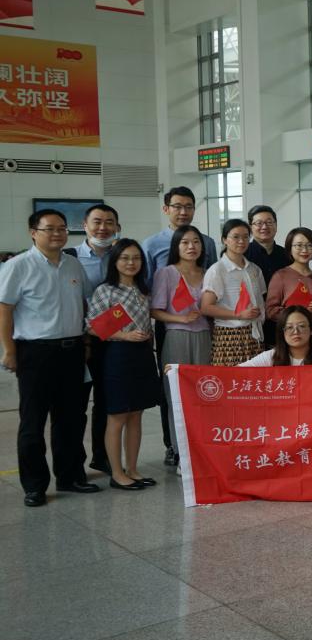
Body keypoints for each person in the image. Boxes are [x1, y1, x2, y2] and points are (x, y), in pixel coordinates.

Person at [0, 210, 99, 507]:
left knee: (70, 418)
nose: (57, 233)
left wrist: (85, 342)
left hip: (71, 351)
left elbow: (85, 303)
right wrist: (9, 350)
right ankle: (34, 485)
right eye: (50, 229)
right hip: (35, 352)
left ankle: (69, 476)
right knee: (33, 421)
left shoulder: (73, 264)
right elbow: (4, 309)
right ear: (34, 232)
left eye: (62, 228)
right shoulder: (18, 266)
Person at [86, 239, 162, 491]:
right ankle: (117, 473)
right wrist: (124, 336)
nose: (131, 263)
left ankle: (133, 469)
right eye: (125, 258)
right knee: (118, 415)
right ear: (115, 261)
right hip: (118, 355)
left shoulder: (143, 290)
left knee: (136, 414)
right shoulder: (106, 290)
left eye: (136, 258)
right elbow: (91, 326)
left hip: (142, 355)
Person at [151, 225, 212, 465]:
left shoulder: (208, 273)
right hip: (176, 336)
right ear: (176, 246)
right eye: (185, 242)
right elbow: (155, 310)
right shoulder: (166, 273)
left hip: (205, 337)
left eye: (196, 242)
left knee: (204, 395)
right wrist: (181, 318)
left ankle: (202, 449)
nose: (191, 247)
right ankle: (180, 451)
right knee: (177, 395)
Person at [73, 203, 120, 474]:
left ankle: (102, 457)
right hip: (81, 341)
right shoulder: (71, 258)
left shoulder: (123, 257)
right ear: (85, 225)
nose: (103, 228)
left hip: (112, 341)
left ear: (117, 227)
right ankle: (74, 466)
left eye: (109, 222)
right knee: (75, 404)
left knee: (107, 402)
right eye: (97, 222)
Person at [201, 219, 267, 366]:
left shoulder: (254, 269)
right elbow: (206, 307)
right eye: (236, 237)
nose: (241, 241)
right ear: (224, 240)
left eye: (245, 237)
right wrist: (238, 314)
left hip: (254, 334)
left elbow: (262, 299)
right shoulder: (217, 270)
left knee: (254, 378)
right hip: (229, 335)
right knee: (229, 379)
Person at [141, 187, 217, 281]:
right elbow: (146, 282)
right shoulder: (151, 244)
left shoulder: (207, 242)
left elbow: (213, 279)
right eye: (177, 207)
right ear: (166, 209)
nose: (183, 212)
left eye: (189, 207)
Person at [245, 205, 290, 348]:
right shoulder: (243, 255)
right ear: (250, 227)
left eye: (269, 222)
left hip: (281, 321)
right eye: (259, 223)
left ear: (276, 225)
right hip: (250, 321)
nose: (264, 227)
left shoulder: (287, 255)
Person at [265, 227, 312, 325]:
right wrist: (301, 312)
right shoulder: (280, 276)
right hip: (291, 331)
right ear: (290, 249)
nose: (304, 250)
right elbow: (270, 311)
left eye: (309, 245)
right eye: (299, 245)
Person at [240, 306, 312, 365]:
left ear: (311, 330)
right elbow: (237, 372)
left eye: (302, 326)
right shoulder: (270, 357)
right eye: (289, 327)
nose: (296, 331)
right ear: (282, 332)